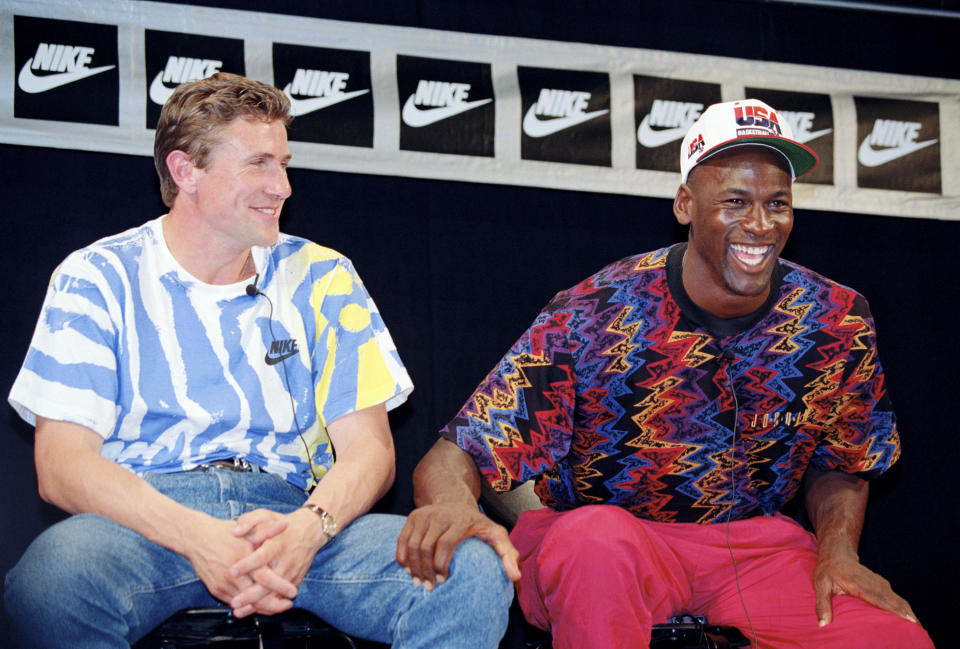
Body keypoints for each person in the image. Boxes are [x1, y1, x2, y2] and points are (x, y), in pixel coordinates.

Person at [396, 99, 934, 649]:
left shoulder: (837, 318)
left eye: (778, 203)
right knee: (594, 541)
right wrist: (456, 512)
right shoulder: (593, 313)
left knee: (897, 640)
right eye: (735, 201)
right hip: (612, 542)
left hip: (754, 551)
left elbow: (845, 462)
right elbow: (456, 452)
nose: (760, 224)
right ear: (685, 204)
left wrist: (839, 553)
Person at [4, 72, 511, 649]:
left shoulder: (324, 276)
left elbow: (370, 451)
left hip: (299, 515)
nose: (284, 187)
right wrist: (200, 537)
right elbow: (63, 465)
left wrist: (307, 531)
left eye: (284, 164)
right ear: (185, 170)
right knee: (51, 584)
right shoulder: (96, 276)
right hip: (145, 523)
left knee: (467, 573)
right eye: (260, 164)